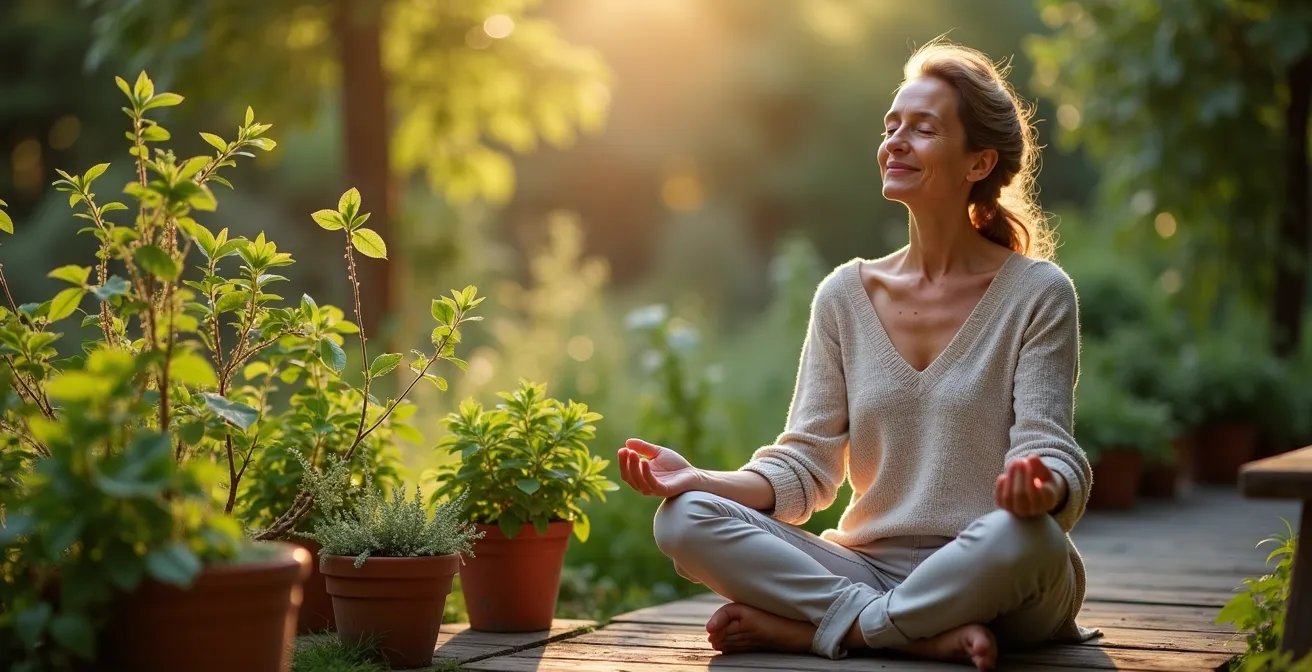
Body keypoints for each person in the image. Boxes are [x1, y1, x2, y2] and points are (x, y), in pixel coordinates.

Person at [615, 39, 1100, 671]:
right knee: (683, 520)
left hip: (995, 566)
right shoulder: (844, 295)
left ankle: (837, 628)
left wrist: (1042, 490)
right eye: (891, 125)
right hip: (869, 567)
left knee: (1029, 539)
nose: (895, 141)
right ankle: (910, 630)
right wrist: (704, 480)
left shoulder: (1039, 292)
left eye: (922, 129)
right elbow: (806, 466)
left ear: (979, 161)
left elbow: (1049, 447)